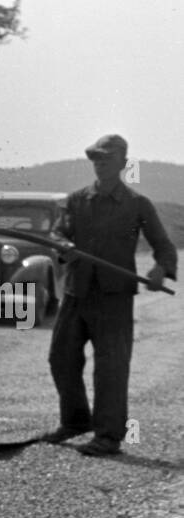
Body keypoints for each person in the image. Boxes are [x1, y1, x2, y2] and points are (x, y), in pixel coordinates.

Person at [44, 134, 177, 457]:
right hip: (76, 293)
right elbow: (58, 233)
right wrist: (62, 244)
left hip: (114, 297)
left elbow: (164, 247)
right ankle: (75, 422)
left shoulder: (137, 204)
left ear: (123, 164)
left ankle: (108, 436)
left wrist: (161, 270)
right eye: (96, 159)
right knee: (61, 359)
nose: (100, 164)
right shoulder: (76, 200)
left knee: (111, 367)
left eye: (106, 159)